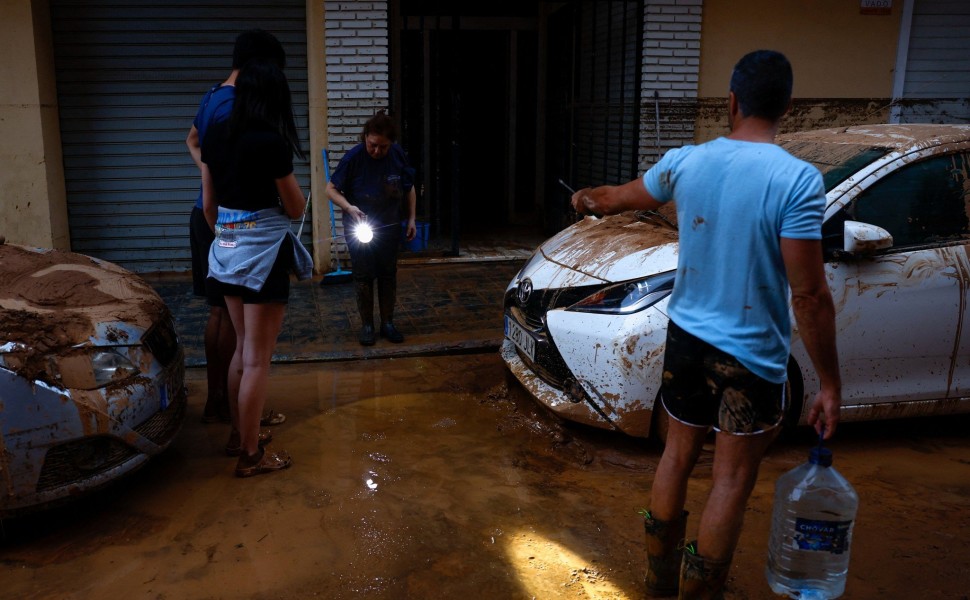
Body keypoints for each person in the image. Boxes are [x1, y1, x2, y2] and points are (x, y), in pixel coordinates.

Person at [571, 50, 842, 598]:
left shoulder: (686, 162)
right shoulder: (798, 181)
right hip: (750, 357)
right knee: (732, 478)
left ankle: (657, 582)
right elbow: (809, 294)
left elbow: (617, 198)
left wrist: (585, 198)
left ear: (732, 101)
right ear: (786, 106)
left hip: (686, 343)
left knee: (676, 456)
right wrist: (830, 383)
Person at [201, 58, 312, 477]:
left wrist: (231, 236)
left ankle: (238, 436)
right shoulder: (269, 141)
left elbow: (210, 206)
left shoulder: (215, 133)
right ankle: (251, 456)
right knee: (257, 360)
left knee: (242, 351)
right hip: (264, 256)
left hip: (226, 251)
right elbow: (296, 206)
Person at [186, 29, 287, 428]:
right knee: (246, 343)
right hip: (237, 223)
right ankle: (241, 421)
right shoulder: (239, 107)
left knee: (221, 316)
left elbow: (192, 140)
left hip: (211, 216)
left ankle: (219, 403)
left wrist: (210, 172)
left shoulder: (213, 96)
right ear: (259, 67)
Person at [326, 111, 417, 345]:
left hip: (389, 225)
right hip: (360, 225)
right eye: (372, 145)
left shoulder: (397, 156)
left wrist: (412, 219)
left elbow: (409, 187)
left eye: (383, 147)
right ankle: (367, 325)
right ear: (365, 137)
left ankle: (388, 322)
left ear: (392, 144)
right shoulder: (353, 158)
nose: (377, 151)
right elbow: (331, 189)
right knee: (364, 276)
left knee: (388, 274)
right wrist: (349, 207)